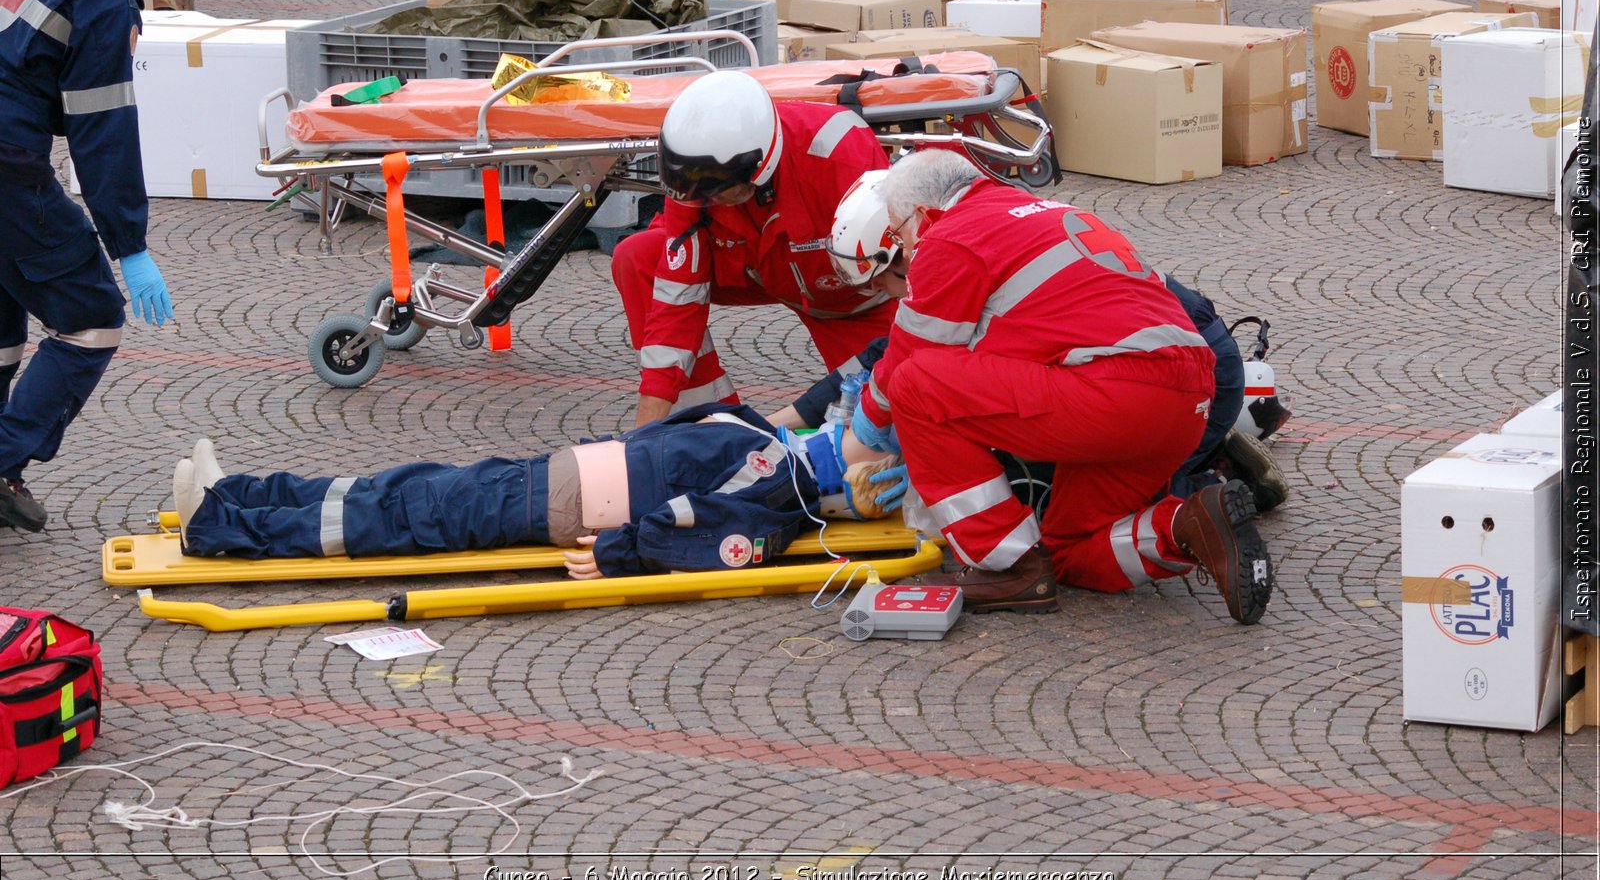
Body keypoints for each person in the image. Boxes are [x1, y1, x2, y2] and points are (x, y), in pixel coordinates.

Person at [842, 151, 1274, 624]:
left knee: (914, 384)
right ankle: (1190, 524)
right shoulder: (1050, 210)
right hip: (1190, 395)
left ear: (922, 215)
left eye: (900, 233)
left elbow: (911, 356)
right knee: (1068, 549)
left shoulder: (950, 236)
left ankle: (1008, 564)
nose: (905, 249)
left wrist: (866, 429)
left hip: (1116, 395)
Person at [796, 170, 1289, 510]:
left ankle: (1213, 481)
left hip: (1178, 380)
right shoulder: (992, 231)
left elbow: (910, 369)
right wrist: (780, 420)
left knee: (1042, 491)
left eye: (883, 281)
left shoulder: (955, 266)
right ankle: (1208, 458)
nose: (886, 298)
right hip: (1192, 362)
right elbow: (887, 357)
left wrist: (906, 455)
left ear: (902, 247)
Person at [0, 0, 200, 533]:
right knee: (89, 320)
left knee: (2, 318)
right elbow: (101, 132)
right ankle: (0, 462)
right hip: (5, 165)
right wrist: (129, 244)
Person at [172, 404, 905, 578]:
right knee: (402, 490)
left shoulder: (780, 486)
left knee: (401, 514)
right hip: (553, 479)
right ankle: (241, 493)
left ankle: (219, 526)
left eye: (864, 428)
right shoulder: (775, 451)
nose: (851, 415)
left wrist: (617, 554)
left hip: (557, 502)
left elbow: (704, 529)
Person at [609, 71, 897, 428]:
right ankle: (704, 426)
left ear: (758, 170)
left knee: (886, 413)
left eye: (719, 193)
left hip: (856, 299)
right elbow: (676, 303)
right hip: (756, 269)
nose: (709, 202)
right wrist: (644, 430)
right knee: (638, 258)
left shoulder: (841, 156)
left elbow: (904, 264)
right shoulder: (697, 179)